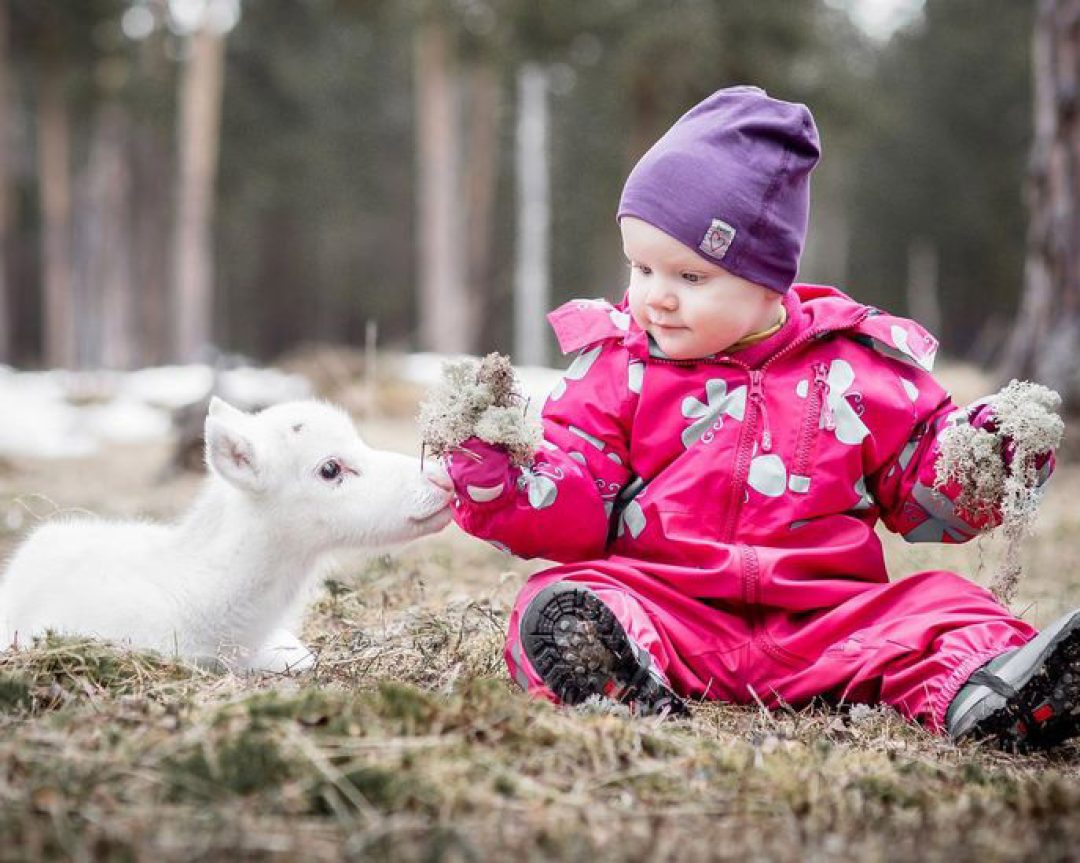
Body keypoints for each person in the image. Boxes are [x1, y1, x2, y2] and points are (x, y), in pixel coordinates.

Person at [442, 85, 1077, 751]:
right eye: (641, 266)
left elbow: (923, 496)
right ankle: (615, 680)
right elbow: (576, 497)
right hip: (669, 609)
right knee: (565, 596)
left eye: (690, 277)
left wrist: (984, 458)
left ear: (768, 278)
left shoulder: (856, 367)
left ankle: (997, 692)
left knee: (948, 608)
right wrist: (501, 468)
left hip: (831, 625)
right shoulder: (620, 367)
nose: (655, 298)